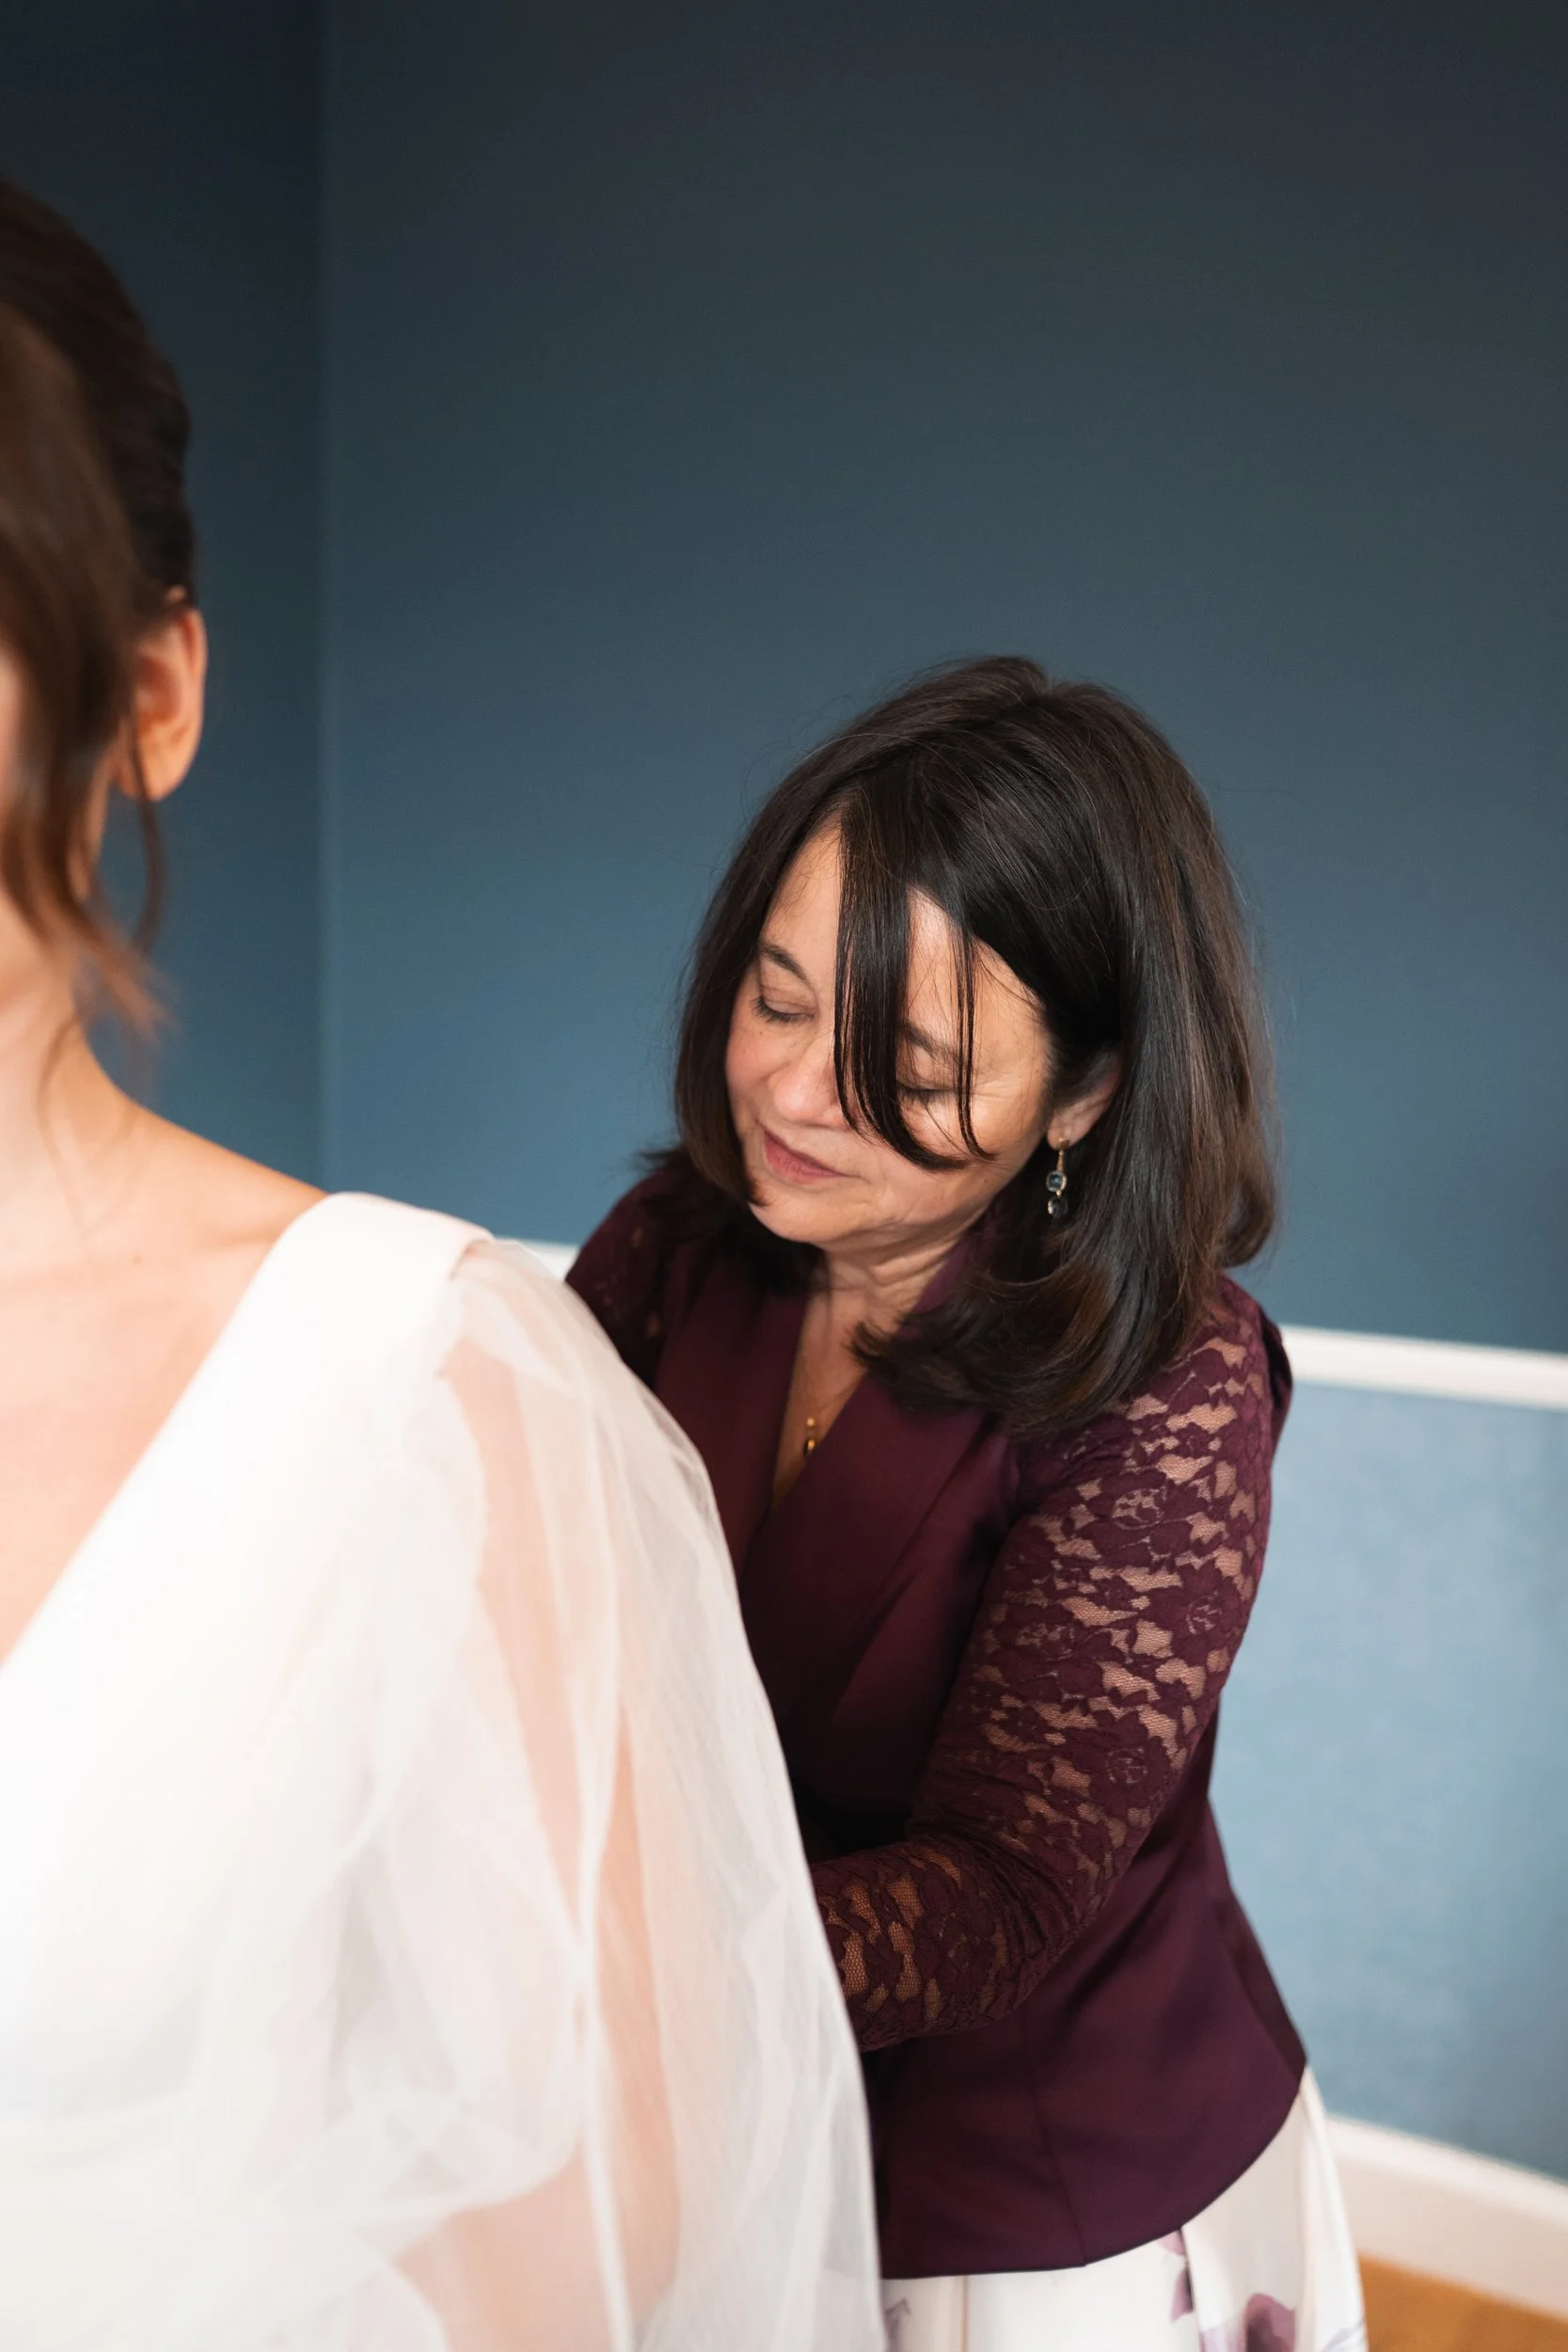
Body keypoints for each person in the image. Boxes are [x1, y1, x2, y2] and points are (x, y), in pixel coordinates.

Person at [0, 179, 880, 2352]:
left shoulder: (431, 1391)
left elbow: (597, 2212)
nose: (808, 1087)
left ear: (150, 692)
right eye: (776, 1005)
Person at [569, 661, 1369, 2351]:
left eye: (903, 1065)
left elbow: (996, 1894)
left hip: (1023, 2195)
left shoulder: (1169, 1383)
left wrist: (613, 1959)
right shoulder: (676, 1258)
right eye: (776, 1002)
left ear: (1077, 1097)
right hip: (696, 2115)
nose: (792, 1096)